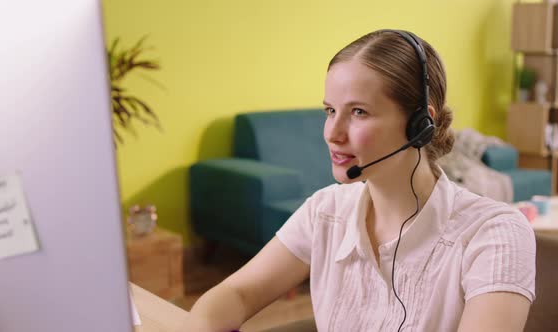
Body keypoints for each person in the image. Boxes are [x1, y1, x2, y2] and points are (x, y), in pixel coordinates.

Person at [178, 29, 535, 332]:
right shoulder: (326, 211)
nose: (332, 133)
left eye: (358, 112)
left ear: (419, 124)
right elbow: (236, 294)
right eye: (330, 111)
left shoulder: (494, 234)